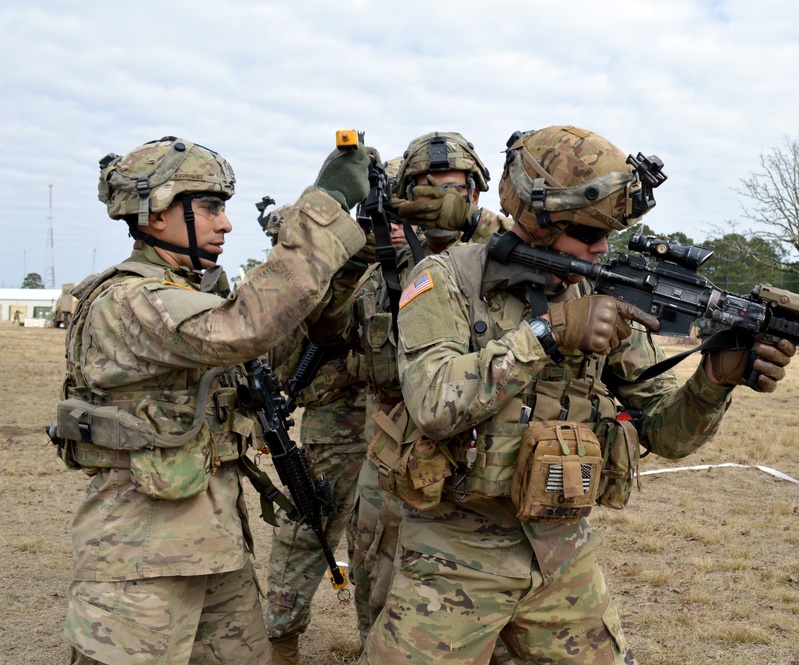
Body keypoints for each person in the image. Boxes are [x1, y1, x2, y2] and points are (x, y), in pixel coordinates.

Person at [360, 125, 797, 664]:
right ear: (539, 219)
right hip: (454, 554)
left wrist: (713, 382)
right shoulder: (445, 278)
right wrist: (548, 334)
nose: (601, 249)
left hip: (563, 553)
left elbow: (662, 431)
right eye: (588, 235)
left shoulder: (601, 290)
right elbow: (432, 402)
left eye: (608, 235)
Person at [53, 134, 371, 664]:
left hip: (215, 543)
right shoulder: (130, 300)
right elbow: (245, 327)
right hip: (141, 556)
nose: (225, 223)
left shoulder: (186, 291)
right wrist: (325, 207)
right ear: (155, 213)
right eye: (209, 207)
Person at [334, 132, 513, 647]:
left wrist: (475, 226)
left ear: (476, 196)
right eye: (425, 190)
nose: (438, 202)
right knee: (377, 594)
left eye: (454, 190)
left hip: (472, 474)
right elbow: (327, 331)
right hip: (389, 467)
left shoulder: (502, 265)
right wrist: (352, 251)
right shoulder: (381, 273)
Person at [259, 201, 375, 664]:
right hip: (337, 428)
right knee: (310, 530)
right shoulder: (296, 293)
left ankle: (380, 644)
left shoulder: (374, 273)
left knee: (379, 542)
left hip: (396, 424)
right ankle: (280, 639)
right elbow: (281, 364)